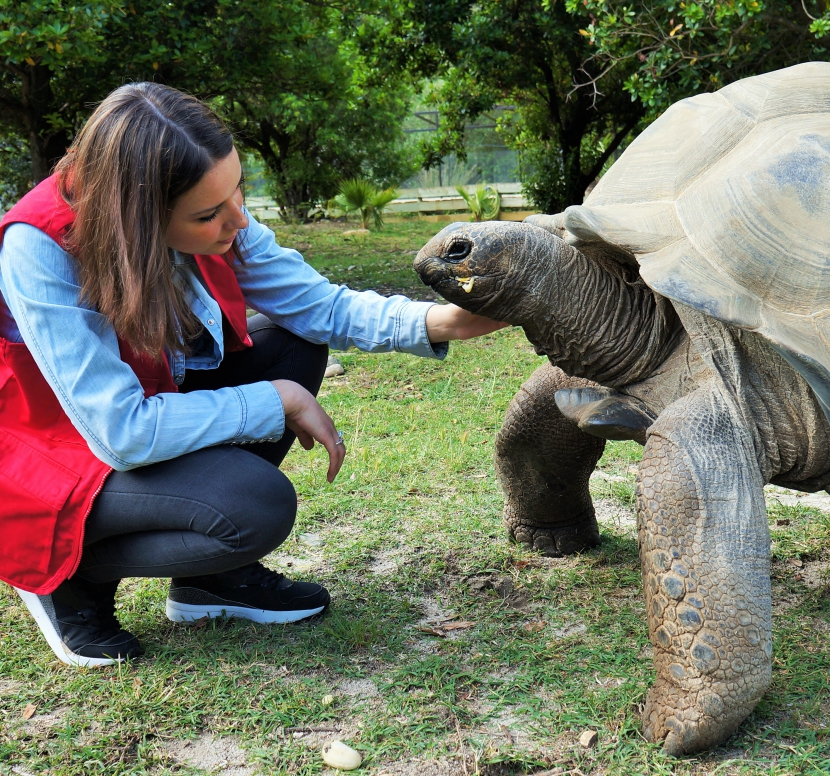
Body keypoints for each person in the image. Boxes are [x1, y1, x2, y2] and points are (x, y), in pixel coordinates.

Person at [0, 83, 505, 667]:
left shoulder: (212, 210)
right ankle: (63, 575)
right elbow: (121, 431)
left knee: (292, 341)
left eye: (237, 188)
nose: (237, 219)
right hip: (48, 454)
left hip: (135, 415)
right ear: (135, 218)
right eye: (208, 214)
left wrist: (449, 322)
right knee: (254, 507)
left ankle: (207, 581)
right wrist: (273, 400)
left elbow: (322, 307)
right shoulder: (37, 248)